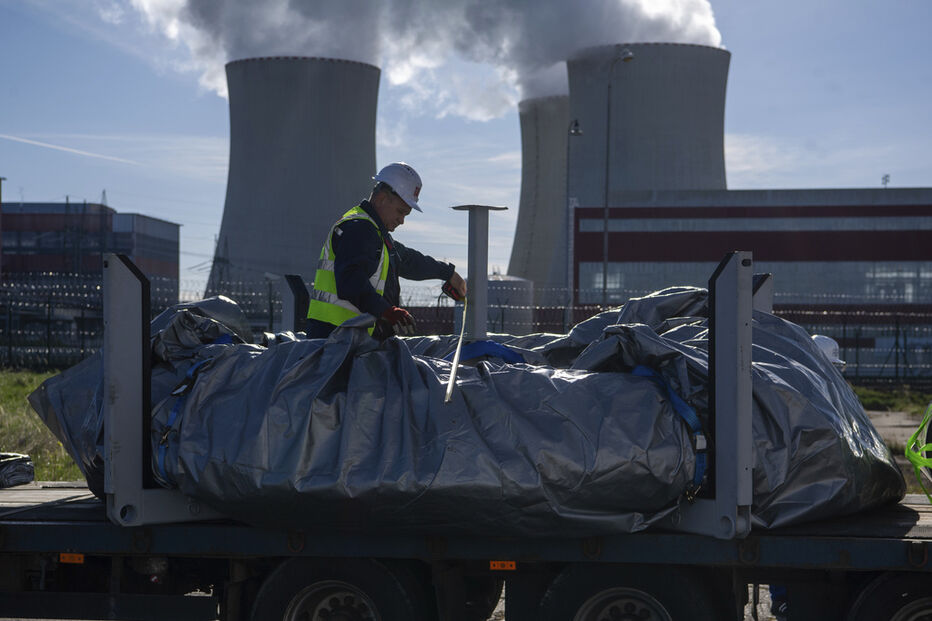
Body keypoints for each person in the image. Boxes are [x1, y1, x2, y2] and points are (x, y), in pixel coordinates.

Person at [306, 162, 467, 340]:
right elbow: (350, 279)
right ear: (381, 199)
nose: (402, 221)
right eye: (400, 212)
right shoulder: (359, 229)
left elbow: (407, 260)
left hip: (345, 341)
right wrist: (386, 311)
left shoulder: (375, 234)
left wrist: (447, 272)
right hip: (335, 343)